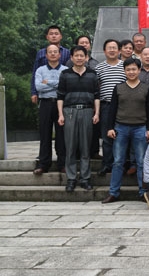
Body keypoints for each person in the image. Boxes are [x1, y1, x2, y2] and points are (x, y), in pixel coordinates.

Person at [101, 58, 149, 204]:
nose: (131, 72)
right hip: (121, 127)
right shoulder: (118, 88)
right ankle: (113, 193)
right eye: (128, 69)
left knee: (141, 162)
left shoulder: (146, 88)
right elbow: (112, 109)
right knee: (118, 161)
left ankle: (143, 192)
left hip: (140, 128)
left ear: (139, 70)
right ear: (124, 71)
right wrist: (110, 127)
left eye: (134, 69)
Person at [57, 46, 100, 193]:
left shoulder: (92, 74)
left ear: (86, 57)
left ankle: (85, 178)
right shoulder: (65, 74)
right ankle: (71, 178)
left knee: (85, 146)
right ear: (71, 58)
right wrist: (60, 114)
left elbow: (97, 95)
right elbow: (60, 96)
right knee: (70, 145)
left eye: (82, 55)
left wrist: (97, 113)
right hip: (69, 111)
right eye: (76, 56)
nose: (79, 58)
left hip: (87, 111)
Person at [33, 44, 68, 174]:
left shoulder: (66, 70)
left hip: (61, 104)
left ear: (59, 54)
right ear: (46, 55)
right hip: (45, 103)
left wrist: (47, 82)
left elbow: (66, 87)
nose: (53, 54)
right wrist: (57, 84)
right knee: (45, 134)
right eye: (50, 52)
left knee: (62, 135)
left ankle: (62, 164)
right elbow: (38, 87)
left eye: (55, 51)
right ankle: (43, 164)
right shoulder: (40, 70)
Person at [96, 39, 126, 177]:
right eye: (109, 48)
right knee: (106, 136)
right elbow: (96, 88)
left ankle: (120, 164)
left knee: (122, 135)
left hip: (122, 106)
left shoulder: (125, 66)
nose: (112, 50)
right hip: (106, 106)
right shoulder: (99, 68)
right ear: (104, 51)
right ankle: (106, 164)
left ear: (119, 50)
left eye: (114, 48)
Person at [31, 25, 70, 104]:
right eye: (51, 34)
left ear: (61, 36)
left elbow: (69, 75)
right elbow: (35, 72)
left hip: (62, 93)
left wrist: (48, 82)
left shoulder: (67, 53)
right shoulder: (41, 53)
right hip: (44, 94)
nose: (54, 36)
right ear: (47, 37)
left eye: (56, 34)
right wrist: (34, 92)